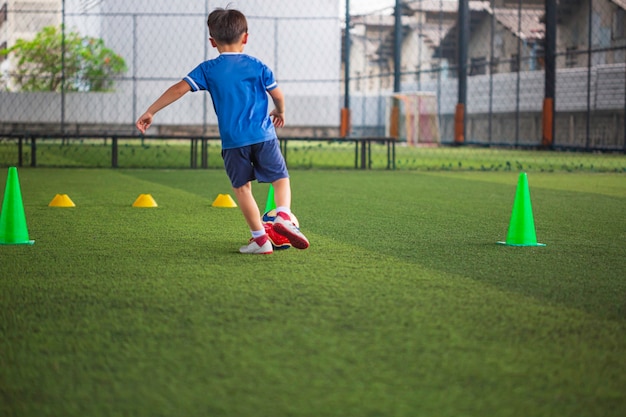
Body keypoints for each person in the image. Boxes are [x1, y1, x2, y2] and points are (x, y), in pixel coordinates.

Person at [136, 7, 309, 255]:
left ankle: (260, 241)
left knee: (242, 189)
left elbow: (178, 89)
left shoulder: (208, 69)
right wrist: (280, 111)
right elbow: (277, 95)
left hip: (233, 142)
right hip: (264, 135)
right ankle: (283, 214)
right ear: (246, 38)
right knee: (280, 179)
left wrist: (151, 111)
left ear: (212, 41)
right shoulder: (258, 66)